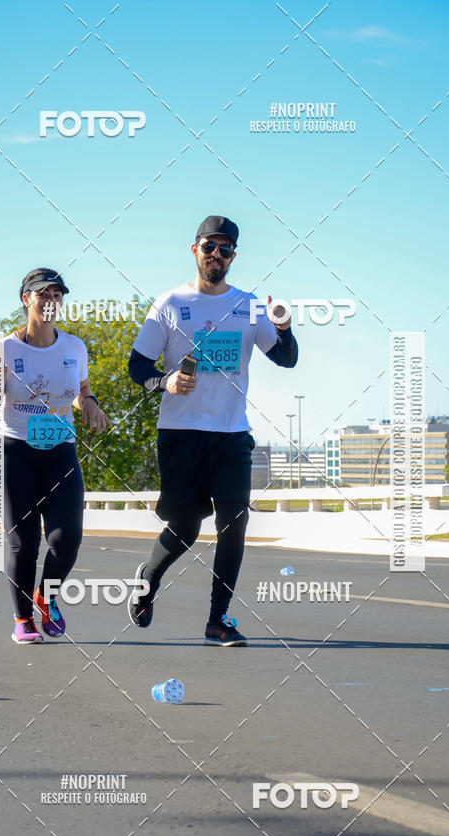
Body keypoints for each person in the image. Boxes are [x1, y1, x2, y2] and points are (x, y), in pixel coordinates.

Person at [127, 216, 298, 646]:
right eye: (209, 247)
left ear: (233, 257)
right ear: (194, 249)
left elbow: (286, 359)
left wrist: (283, 329)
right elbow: (137, 367)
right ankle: (148, 579)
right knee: (185, 528)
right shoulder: (168, 303)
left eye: (225, 249)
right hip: (181, 434)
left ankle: (217, 619)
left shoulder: (249, 305)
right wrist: (165, 381)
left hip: (231, 435)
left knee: (233, 522)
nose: (216, 255)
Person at [0, 267, 110, 644]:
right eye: (43, 294)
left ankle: (47, 595)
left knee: (66, 539)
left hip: (60, 448)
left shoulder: (74, 347)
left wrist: (89, 403)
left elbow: (82, 388)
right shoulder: (5, 349)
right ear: (26, 299)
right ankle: (22, 619)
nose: (51, 301)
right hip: (16, 450)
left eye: (57, 295)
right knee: (22, 542)